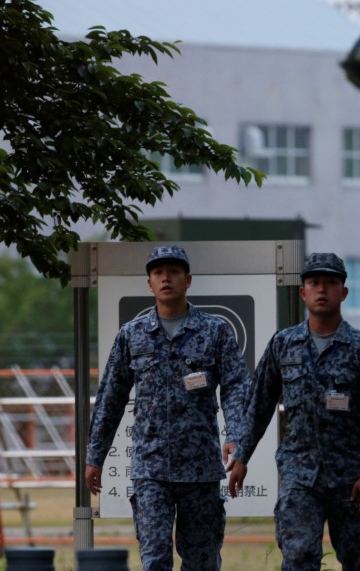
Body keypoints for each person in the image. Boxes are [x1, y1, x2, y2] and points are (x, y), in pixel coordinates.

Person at [85, 245, 251, 571]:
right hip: (151, 468)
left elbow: (235, 388)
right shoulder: (132, 336)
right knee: (155, 560)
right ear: (149, 283)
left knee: (201, 562)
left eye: (173, 272)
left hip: (200, 468)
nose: (166, 279)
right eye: (158, 273)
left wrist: (236, 434)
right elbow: (110, 399)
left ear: (188, 280)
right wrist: (95, 456)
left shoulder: (214, 331)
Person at [228, 252, 360, 571]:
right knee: (299, 557)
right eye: (314, 282)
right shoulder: (283, 344)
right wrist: (243, 454)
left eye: (331, 283)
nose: (322, 289)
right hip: (299, 475)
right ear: (302, 292)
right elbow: (259, 403)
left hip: (351, 475)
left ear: (343, 293)